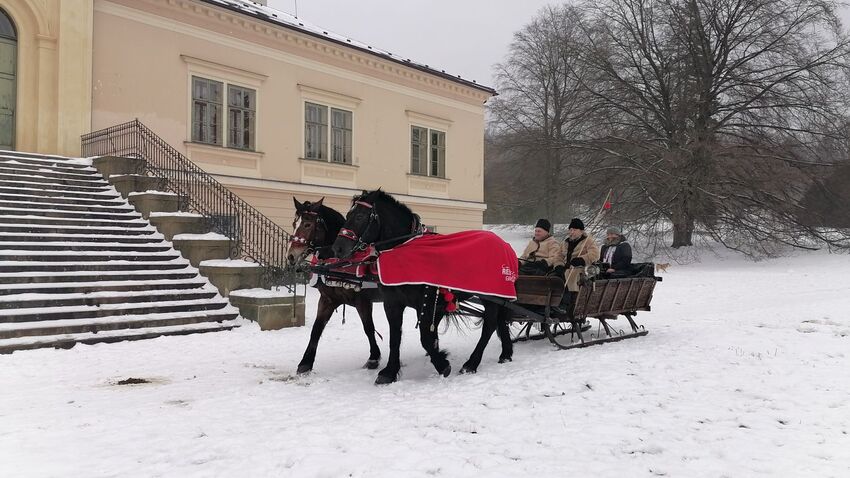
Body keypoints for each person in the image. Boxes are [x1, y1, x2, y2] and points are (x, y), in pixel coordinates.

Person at [555, 218, 600, 314]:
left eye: (574, 230)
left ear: (581, 231)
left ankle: (566, 304)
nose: (572, 232)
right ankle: (553, 301)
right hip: (566, 267)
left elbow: (595, 254)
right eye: (570, 230)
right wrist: (558, 265)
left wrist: (582, 259)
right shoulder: (565, 243)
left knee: (569, 276)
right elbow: (558, 256)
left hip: (581, 269)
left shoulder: (588, 241)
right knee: (553, 277)